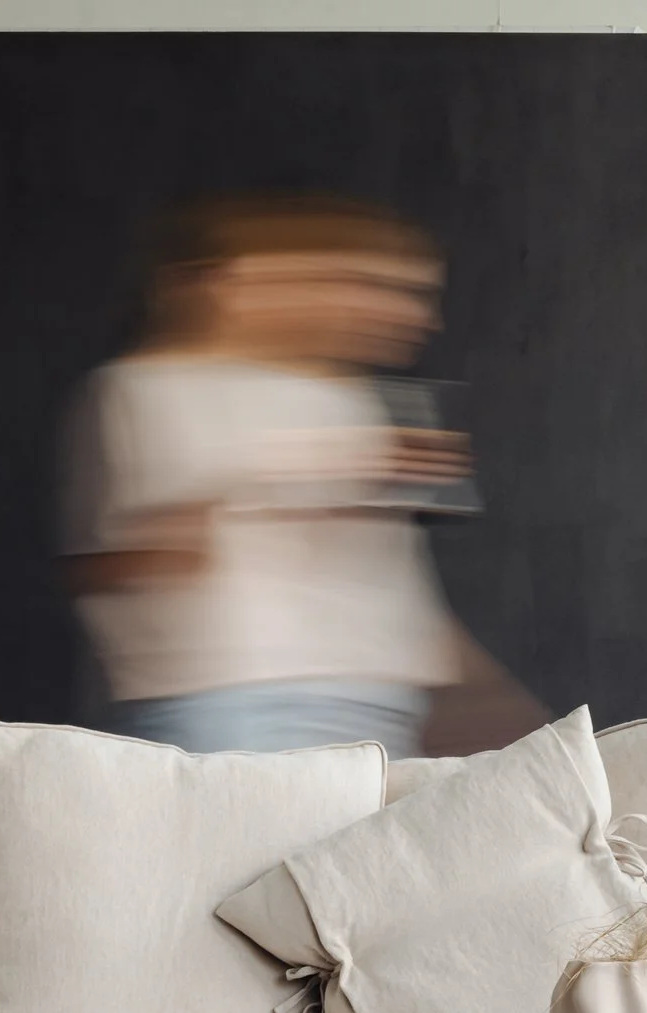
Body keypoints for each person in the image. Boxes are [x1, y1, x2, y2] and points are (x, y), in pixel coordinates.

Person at [61, 193, 537, 755]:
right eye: (381, 288)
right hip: (231, 701)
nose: (418, 317)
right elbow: (132, 566)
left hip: (379, 701)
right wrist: (298, 469)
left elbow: (392, 586)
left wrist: (487, 700)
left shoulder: (343, 398)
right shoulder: (144, 390)